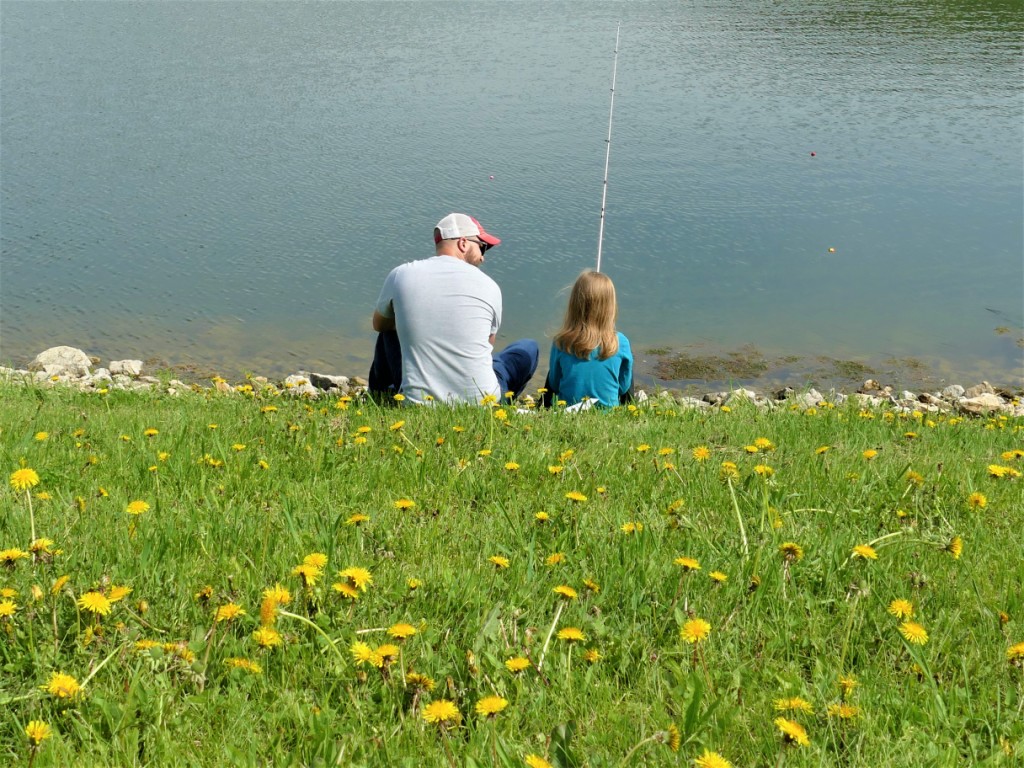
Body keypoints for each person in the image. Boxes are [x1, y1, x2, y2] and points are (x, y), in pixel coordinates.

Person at [369, 213, 538, 404]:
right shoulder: (490, 286)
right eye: (483, 247)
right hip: (484, 403)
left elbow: (379, 324)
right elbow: (487, 346)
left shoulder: (402, 274)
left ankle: (381, 396)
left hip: (420, 402)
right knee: (529, 348)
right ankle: (505, 401)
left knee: (389, 330)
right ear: (463, 243)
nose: (483, 257)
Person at [544, 270, 633, 407]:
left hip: (568, 411)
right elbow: (623, 387)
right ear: (610, 307)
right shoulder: (621, 342)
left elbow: (555, 384)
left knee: (554, 370)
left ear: (574, 304)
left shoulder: (561, 342)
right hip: (607, 412)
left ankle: (543, 407)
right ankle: (631, 409)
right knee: (626, 366)